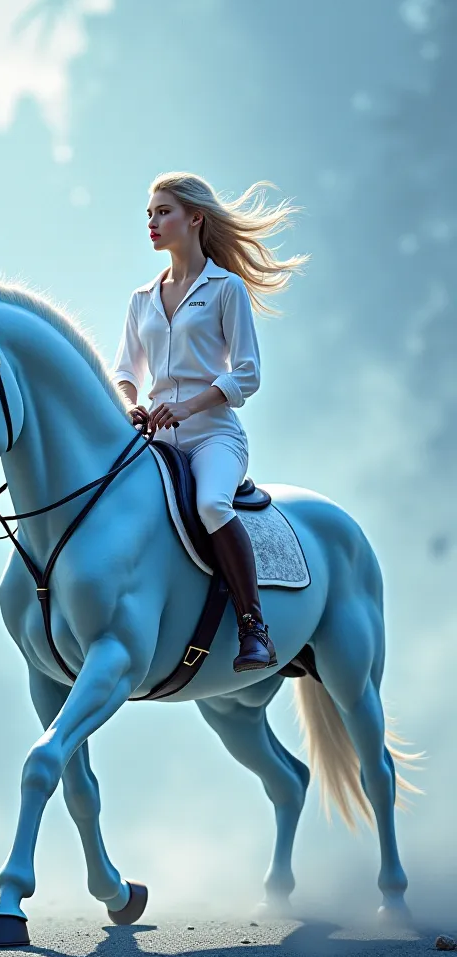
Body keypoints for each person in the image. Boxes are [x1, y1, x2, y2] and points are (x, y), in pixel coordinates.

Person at [111, 171, 309, 672]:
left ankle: (253, 627)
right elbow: (124, 371)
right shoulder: (141, 299)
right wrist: (131, 402)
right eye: (149, 214)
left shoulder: (226, 289)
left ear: (195, 217)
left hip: (213, 438)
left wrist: (187, 406)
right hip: (156, 440)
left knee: (212, 503)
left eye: (163, 212)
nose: (152, 223)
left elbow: (248, 375)